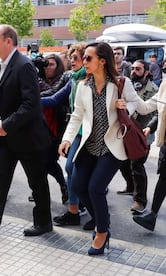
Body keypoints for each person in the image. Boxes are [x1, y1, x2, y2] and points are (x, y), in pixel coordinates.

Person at [0, 24, 53, 236]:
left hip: (27, 136)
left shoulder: (23, 65)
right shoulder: (4, 64)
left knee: (37, 181)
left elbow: (31, 104)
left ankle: (43, 223)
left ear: (8, 41)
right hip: (8, 135)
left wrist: (6, 124)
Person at [58, 41, 142, 255]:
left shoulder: (121, 84)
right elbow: (77, 115)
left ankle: (102, 232)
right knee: (77, 186)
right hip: (89, 145)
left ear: (102, 61)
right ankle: (100, 219)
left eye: (88, 58)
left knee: (96, 188)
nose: (82, 61)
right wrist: (67, 139)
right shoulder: (83, 86)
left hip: (111, 147)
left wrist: (126, 106)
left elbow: (139, 105)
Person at [40, 43, 92, 230]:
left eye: (77, 57)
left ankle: (92, 213)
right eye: (71, 58)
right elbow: (54, 98)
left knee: (86, 176)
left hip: (93, 134)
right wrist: (28, 101)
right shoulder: (74, 79)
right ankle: (74, 210)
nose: (72, 61)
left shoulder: (97, 80)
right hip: (76, 131)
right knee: (71, 169)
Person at [117, 60, 158, 216]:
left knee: (137, 166)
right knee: (122, 162)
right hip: (127, 132)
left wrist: (150, 127)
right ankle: (130, 187)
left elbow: (157, 112)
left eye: (138, 69)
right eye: (132, 68)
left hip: (143, 133)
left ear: (146, 72)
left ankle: (140, 201)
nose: (133, 71)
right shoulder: (127, 86)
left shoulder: (154, 90)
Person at [132, 79, 166, 231]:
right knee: (164, 178)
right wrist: (150, 127)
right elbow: (151, 108)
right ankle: (152, 215)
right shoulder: (165, 86)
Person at [40, 54, 69, 205]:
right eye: (45, 64)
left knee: (49, 162)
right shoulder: (40, 79)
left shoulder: (63, 79)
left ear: (58, 65)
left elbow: (54, 95)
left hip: (56, 129)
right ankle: (40, 190)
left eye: (51, 64)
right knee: (40, 162)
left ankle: (64, 186)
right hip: (39, 128)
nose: (47, 67)